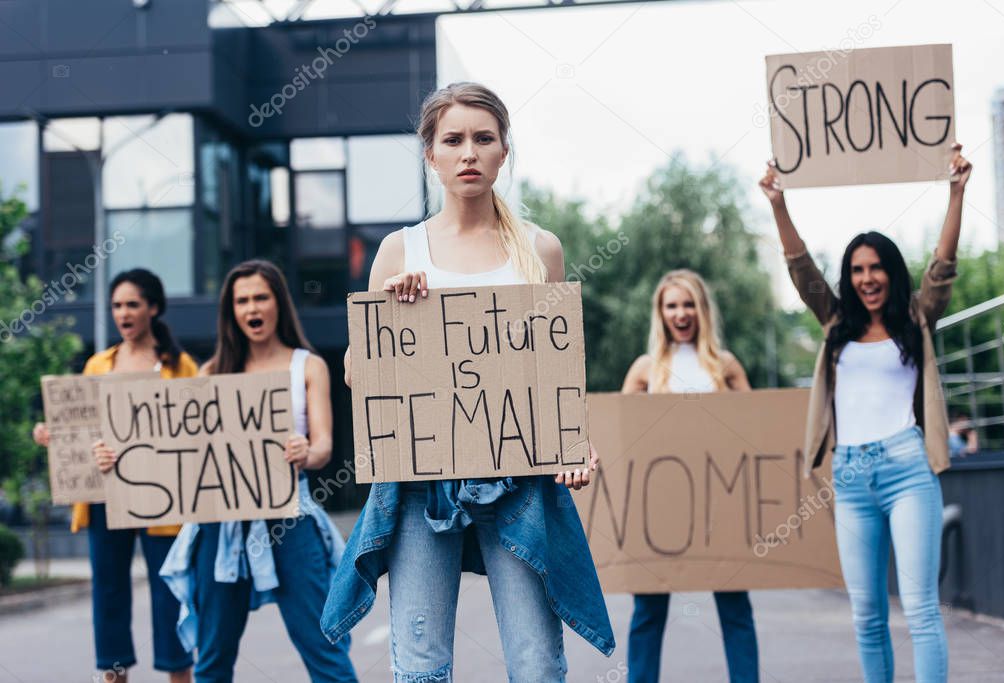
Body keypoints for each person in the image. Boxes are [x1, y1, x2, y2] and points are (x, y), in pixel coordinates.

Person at [319, 82, 613, 682]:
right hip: (421, 482)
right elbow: (357, 373)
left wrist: (574, 443)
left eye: (484, 138)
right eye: (453, 140)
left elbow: (554, 371)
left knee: (537, 662)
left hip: (520, 479)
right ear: (431, 154)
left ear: (505, 150)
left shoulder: (539, 249)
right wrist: (392, 311)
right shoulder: (400, 251)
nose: (469, 152)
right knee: (421, 665)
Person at [760, 143, 972, 683]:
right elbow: (799, 268)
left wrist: (956, 192)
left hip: (907, 468)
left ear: (891, 272)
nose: (867, 278)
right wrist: (778, 204)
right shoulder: (835, 324)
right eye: (857, 269)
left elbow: (943, 268)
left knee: (921, 611)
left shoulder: (915, 318)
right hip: (851, 476)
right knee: (867, 615)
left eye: (877, 268)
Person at [110, 260, 356, 683]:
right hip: (220, 524)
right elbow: (176, 454)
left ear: (278, 302)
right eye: (242, 300)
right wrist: (114, 457)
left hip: (289, 519)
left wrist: (306, 450)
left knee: (324, 651)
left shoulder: (307, 365)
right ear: (231, 310)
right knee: (212, 659)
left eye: (261, 297)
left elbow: (324, 447)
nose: (251, 308)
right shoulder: (211, 373)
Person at [33, 269, 195, 683]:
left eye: (132, 305)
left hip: (163, 497)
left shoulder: (180, 367)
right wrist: (54, 436)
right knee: (108, 593)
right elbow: (81, 430)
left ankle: (180, 674)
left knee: (170, 592)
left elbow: (196, 432)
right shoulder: (98, 364)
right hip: (106, 494)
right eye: (117, 305)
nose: (123, 313)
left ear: (153, 308)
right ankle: (113, 674)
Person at [622, 270, 760, 682]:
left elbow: (756, 432)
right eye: (671, 305)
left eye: (688, 305)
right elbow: (623, 436)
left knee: (735, 606)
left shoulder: (726, 366)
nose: (680, 314)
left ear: (701, 310)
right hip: (660, 509)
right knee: (648, 610)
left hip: (722, 505)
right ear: (660, 313)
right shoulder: (645, 370)